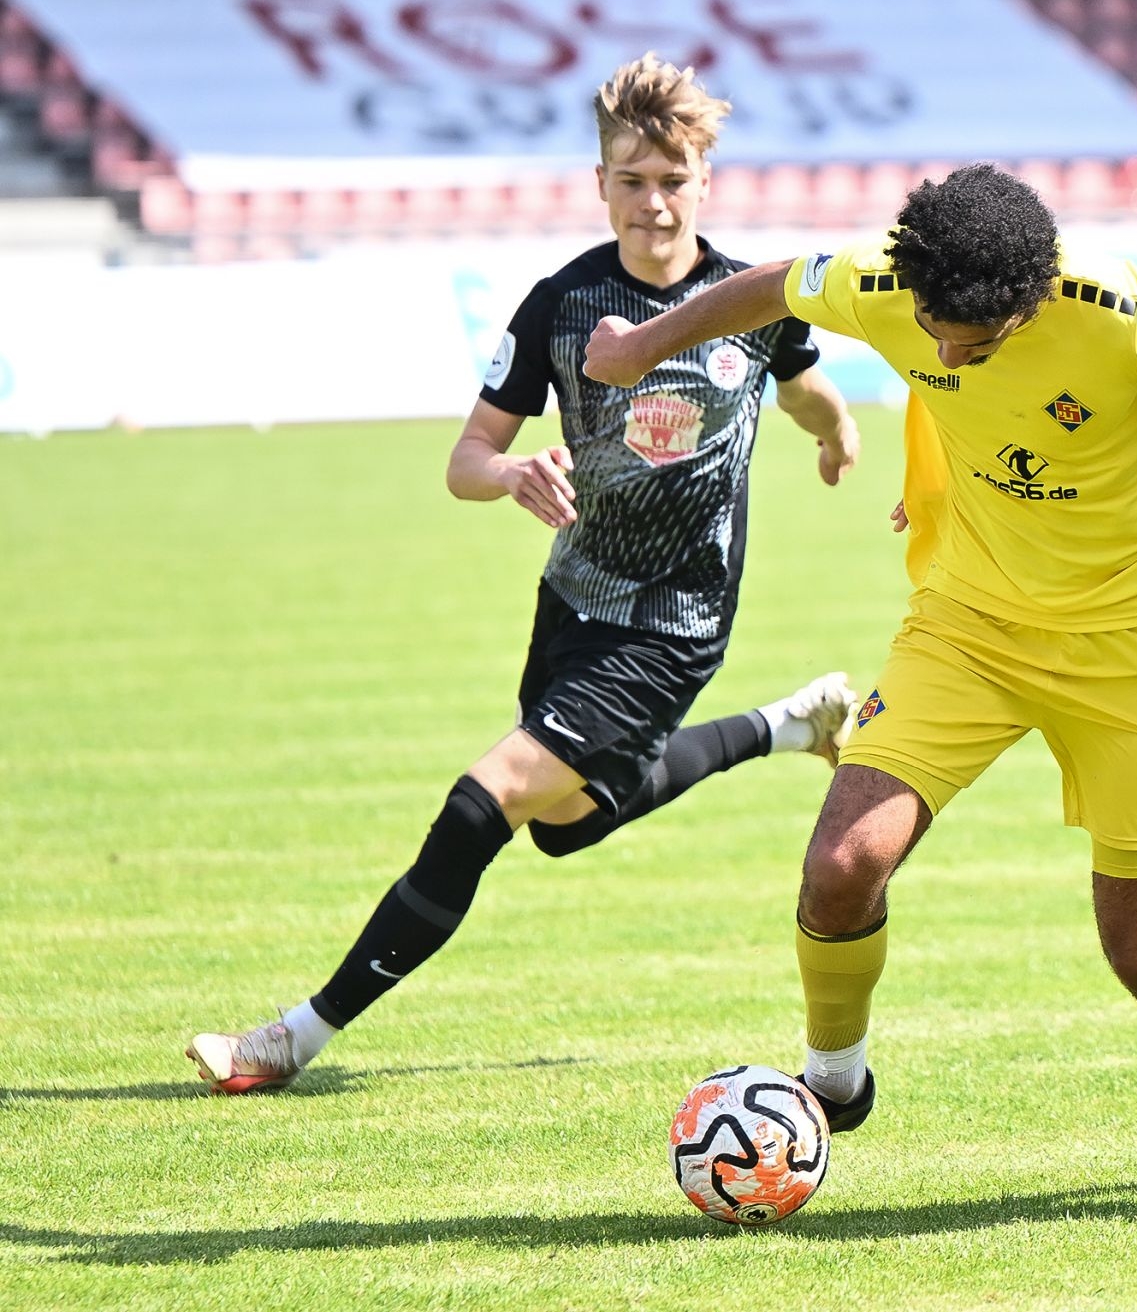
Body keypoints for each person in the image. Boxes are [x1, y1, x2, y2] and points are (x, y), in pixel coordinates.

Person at [583, 163, 1137, 1195]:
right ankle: (833, 1081)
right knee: (843, 863)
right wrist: (641, 345)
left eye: (973, 344)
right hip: (967, 627)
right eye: (933, 335)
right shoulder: (886, 279)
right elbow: (769, 285)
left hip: (1131, 650)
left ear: (1030, 303)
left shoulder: (1130, 311)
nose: (945, 357)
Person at [186, 55, 863, 1094]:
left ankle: (293, 1035)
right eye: (631, 180)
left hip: (674, 624)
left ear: (705, 181)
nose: (653, 203)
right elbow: (467, 458)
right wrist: (510, 473)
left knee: (486, 799)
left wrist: (835, 434)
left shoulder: (749, 302)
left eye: (672, 180)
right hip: (573, 600)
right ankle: (791, 724)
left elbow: (807, 387)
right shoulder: (562, 302)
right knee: (566, 820)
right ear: (600, 183)